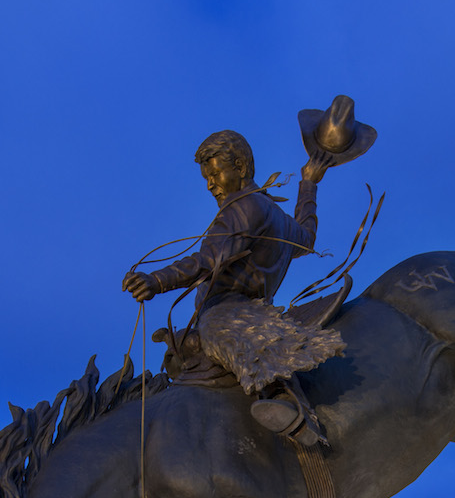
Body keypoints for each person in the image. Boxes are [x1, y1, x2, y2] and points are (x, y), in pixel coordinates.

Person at [122, 129, 341, 446]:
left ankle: (286, 401)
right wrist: (309, 184)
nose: (210, 184)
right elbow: (306, 239)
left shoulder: (242, 209)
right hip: (254, 309)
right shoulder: (273, 215)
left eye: (215, 173)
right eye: (206, 177)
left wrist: (155, 280)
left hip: (229, 312)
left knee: (214, 330)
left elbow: (206, 260)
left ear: (240, 166)